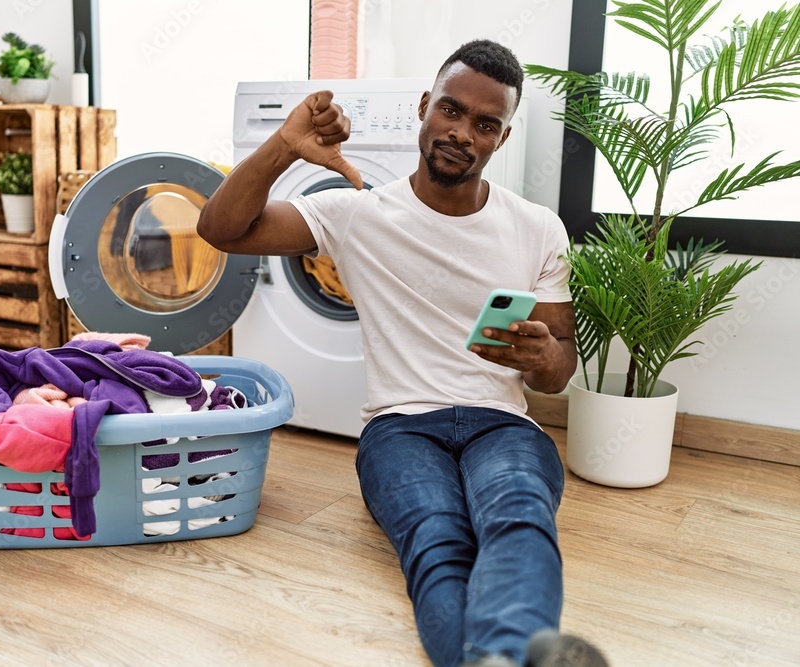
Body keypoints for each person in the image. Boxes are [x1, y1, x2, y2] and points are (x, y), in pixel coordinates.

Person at [196, 39, 608, 667]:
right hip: (400, 429)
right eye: (450, 110)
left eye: (485, 124)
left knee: (517, 516)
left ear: (502, 137)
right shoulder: (355, 213)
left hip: (504, 426)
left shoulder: (537, 228)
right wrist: (285, 145)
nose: (462, 132)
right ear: (424, 107)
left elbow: (558, 375)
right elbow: (219, 229)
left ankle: (492, 659)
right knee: (437, 539)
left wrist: (541, 354)